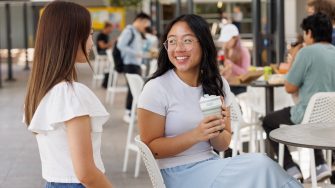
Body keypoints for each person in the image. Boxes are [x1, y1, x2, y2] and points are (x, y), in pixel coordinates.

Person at [137, 14, 302, 188]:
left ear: (203, 43)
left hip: (211, 164)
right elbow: (151, 148)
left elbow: (223, 145)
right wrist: (196, 135)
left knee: (262, 166)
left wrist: (217, 129)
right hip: (177, 174)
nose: (178, 48)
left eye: (187, 41)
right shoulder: (156, 88)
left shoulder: (217, 83)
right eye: (171, 41)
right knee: (261, 166)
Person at [23, 1, 113, 188]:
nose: (91, 42)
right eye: (89, 34)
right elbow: (86, 173)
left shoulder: (41, 90)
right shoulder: (70, 94)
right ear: (71, 38)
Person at [262, 12, 335, 183]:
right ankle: (320, 165)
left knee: (268, 121)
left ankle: (291, 168)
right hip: (331, 117)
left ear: (309, 33)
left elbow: (289, 87)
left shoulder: (307, 52)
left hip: (308, 114)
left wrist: (295, 58)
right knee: (315, 123)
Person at [117, 12, 151, 123]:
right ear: (140, 20)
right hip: (129, 64)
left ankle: (131, 112)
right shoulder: (129, 31)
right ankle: (128, 112)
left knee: (134, 89)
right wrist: (136, 53)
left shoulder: (136, 32)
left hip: (134, 64)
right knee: (132, 89)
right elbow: (120, 45)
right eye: (145, 23)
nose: (146, 27)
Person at [218, 24, 250, 95]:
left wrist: (232, 66)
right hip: (226, 86)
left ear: (235, 38)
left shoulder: (244, 51)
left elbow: (245, 73)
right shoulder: (223, 52)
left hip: (239, 88)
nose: (226, 42)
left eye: (227, 39)